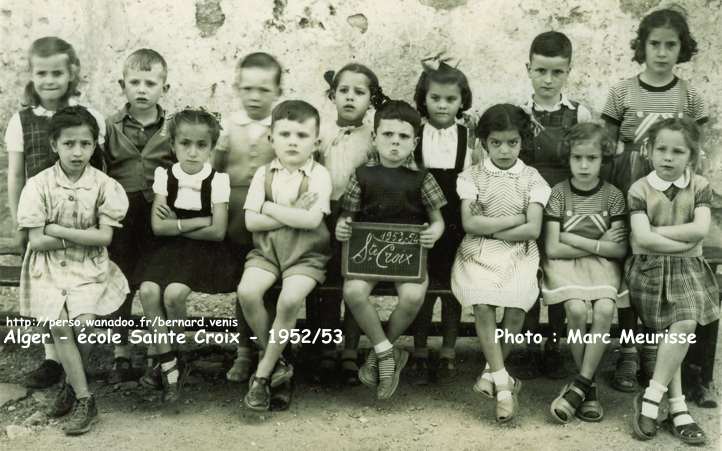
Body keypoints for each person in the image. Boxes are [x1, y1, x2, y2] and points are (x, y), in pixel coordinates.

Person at [601, 6, 708, 392]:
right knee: (633, 266)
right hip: (631, 181)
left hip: (675, 191)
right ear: (641, 47)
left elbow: (698, 149)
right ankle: (629, 351)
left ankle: (654, 349)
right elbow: (609, 147)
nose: (662, 52)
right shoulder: (621, 92)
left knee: (664, 268)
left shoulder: (690, 96)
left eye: (670, 45)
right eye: (654, 44)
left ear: (682, 48)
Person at [17, 106, 129, 435]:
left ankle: (69, 384)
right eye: (69, 144)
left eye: (85, 143)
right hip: (48, 269)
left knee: (86, 328)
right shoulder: (38, 185)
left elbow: (104, 236)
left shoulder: (105, 186)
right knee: (60, 326)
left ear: (95, 145)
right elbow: (37, 241)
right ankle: (84, 398)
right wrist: (78, 238)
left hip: (89, 269)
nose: (77, 152)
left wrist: (60, 231)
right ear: (54, 145)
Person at [4, 36, 106, 389]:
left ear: (71, 73)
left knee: (75, 288)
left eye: (57, 73)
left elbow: (100, 170)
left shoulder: (88, 116)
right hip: (41, 219)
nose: (49, 80)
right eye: (41, 73)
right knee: (48, 289)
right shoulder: (21, 121)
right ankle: (52, 359)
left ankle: (76, 359)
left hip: (80, 218)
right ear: (31, 75)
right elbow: (16, 174)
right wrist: (21, 221)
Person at [337, 100, 446, 400]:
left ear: (415, 142)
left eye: (403, 137)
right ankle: (387, 352)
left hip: (408, 257)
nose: (395, 142)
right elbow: (348, 216)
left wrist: (433, 233)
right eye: (387, 135)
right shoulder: (362, 175)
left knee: (412, 296)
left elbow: (438, 221)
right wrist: (342, 226)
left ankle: (378, 354)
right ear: (374, 138)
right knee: (354, 292)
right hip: (367, 255)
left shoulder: (423, 178)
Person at [452, 104, 550, 423]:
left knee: (516, 310)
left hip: (519, 253)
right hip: (478, 252)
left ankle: (490, 373)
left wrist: (491, 223)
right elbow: (470, 224)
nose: (504, 150)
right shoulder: (472, 176)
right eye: (496, 143)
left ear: (522, 142)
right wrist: (516, 218)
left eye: (512, 142)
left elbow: (533, 229)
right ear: (484, 142)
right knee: (482, 305)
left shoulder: (532, 178)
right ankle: (505, 388)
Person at [135, 108, 238, 409]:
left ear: (211, 146)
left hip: (205, 253)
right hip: (167, 250)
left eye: (201, 145)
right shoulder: (164, 176)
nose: (192, 152)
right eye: (185, 144)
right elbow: (157, 227)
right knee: (148, 290)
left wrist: (177, 226)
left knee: (174, 294)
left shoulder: (217, 180)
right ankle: (170, 364)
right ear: (173, 145)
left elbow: (218, 231)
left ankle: (173, 356)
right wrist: (198, 221)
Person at [627, 118, 718, 446]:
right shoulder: (640, 189)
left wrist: (656, 234)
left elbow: (700, 232)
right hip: (650, 270)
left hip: (688, 269)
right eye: (661, 149)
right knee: (676, 327)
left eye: (677, 151)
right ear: (649, 151)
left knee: (684, 323)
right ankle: (678, 409)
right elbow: (640, 239)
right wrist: (677, 240)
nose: (668, 157)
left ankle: (652, 400)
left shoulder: (700, 186)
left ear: (691, 157)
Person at [239, 100, 332, 411]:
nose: (293, 141)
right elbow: (251, 221)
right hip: (267, 251)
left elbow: (311, 221)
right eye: (285, 134)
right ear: (271, 138)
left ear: (316, 142)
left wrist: (268, 207)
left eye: (302, 135)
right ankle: (279, 362)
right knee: (248, 291)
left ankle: (263, 374)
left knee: (290, 300)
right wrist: (291, 211)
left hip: (306, 254)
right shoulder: (263, 174)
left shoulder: (319, 175)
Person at [516, 31, 593, 380]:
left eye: (557, 72)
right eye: (541, 71)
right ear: (528, 68)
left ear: (569, 71)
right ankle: (531, 345)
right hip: (528, 206)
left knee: (560, 277)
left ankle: (555, 346)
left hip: (566, 207)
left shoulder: (578, 114)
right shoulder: (519, 112)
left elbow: (587, 161)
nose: (548, 80)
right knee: (529, 275)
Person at [543, 123, 627, 423]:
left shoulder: (613, 196)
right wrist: (595, 244)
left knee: (605, 308)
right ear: (567, 158)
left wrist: (572, 238)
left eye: (591, 158)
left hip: (603, 268)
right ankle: (587, 387)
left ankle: (579, 385)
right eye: (577, 157)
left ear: (602, 159)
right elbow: (552, 248)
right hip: (565, 267)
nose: (583, 165)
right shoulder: (558, 194)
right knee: (576, 311)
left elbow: (618, 250)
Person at [313, 63, 388, 385]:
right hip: (323, 213)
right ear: (332, 95)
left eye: (359, 92)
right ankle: (325, 350)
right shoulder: (321, 132)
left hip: (358, 214)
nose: (350, 97)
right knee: (325, 284)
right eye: (343, 90)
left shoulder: (373, 136)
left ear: (371, 99)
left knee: (353, 284)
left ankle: (350, 350)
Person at [104, 48, 175, 384]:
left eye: (151, 82)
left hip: (157, 215)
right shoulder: (109, 127)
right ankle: (120, 352)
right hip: (120, 215)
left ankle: (154, 353)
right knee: (121, 283)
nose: (142, 89)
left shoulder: (173, 129)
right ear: (123, 85)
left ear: (165, 88)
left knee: (153, 282)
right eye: (135, 82)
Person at [212, 52, 282, 384]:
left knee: (267, 286)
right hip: (234, 218)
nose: (255, 97)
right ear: (237, 88)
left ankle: (274, 353)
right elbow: (214, 171)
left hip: (268, 217)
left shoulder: (281, 128)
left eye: (264, 90)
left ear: (278, 92)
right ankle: (243, 351)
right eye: (248, 88)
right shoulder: (228, 125)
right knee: (244, 287)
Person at [409, 55, 476, 385]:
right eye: (434, 98)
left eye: (451, 99)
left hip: (456, 222)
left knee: (452, 291)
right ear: (423, 99)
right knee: (421, 288)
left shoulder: (468, 138)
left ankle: (448, 350)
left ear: (462, 101)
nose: (442, 105)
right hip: (423, 221)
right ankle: (420, 350)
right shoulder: (414, 136)